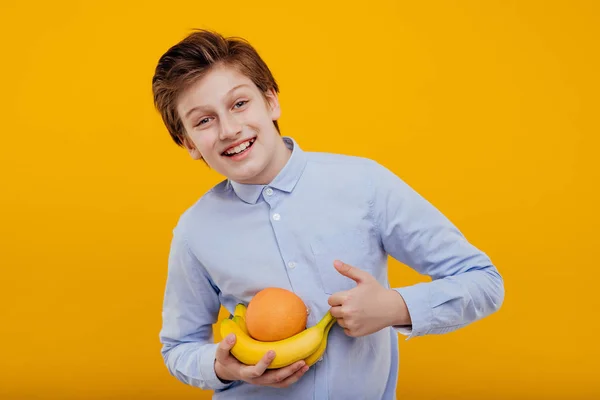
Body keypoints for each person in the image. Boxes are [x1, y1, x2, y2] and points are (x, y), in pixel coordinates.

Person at [152, 29, 504, 400]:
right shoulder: (196, 231)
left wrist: (395, 307)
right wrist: (220, 368)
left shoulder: (364, 184)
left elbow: (483, 280)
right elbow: (179, 347)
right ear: (189, 143)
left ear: (271, 101)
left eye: (239, 104)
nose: (229, 129)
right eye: (203, 121)